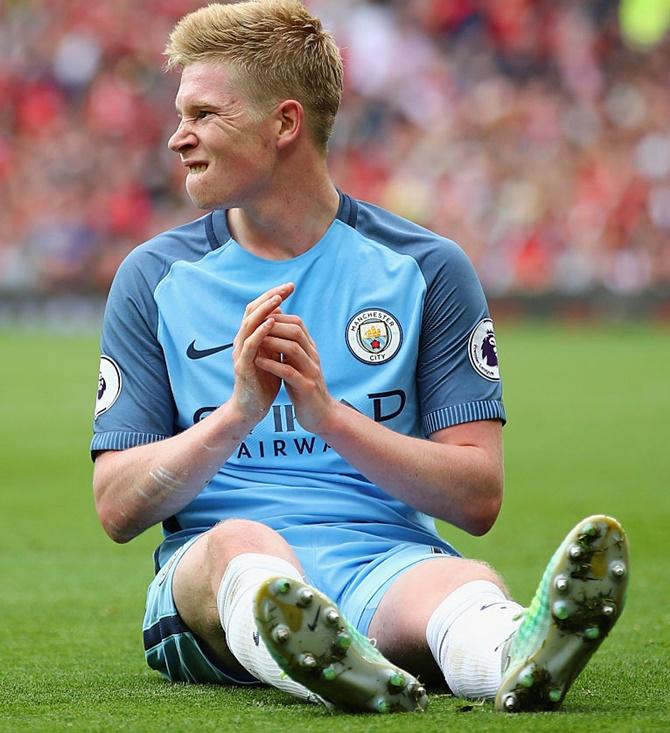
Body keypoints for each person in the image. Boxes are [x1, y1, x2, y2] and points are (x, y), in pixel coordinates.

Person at [91, 0, 629, 714]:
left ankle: (511, 653)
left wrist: (329, 417)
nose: (176, 137)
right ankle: (315, 652)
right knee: (240, 543)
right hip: (211, 577)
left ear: (285, 123)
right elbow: (117, 506)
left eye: (203, 114)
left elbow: (477, 495)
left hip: (385, 560)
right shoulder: (154, 278)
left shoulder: (426, 268)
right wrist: (238, 412)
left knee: (462, 585)